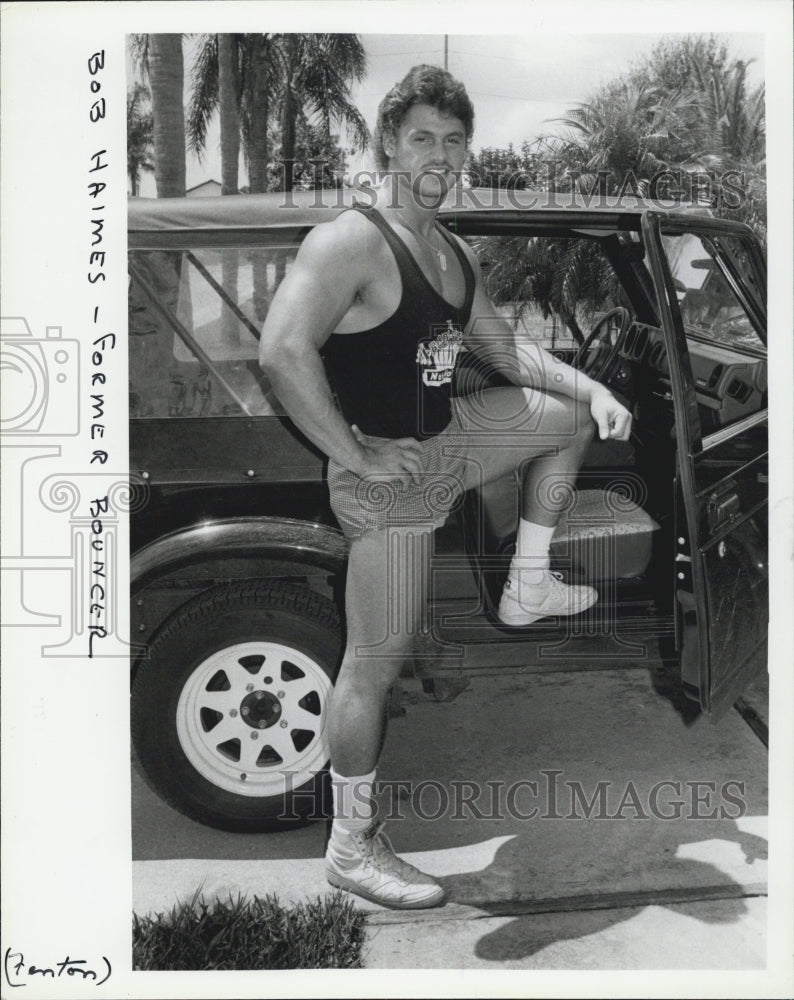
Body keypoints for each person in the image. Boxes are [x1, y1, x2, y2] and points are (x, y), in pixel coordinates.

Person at [259, 65, 632, 910]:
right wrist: (353, 454)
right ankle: (352, 847)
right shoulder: (353, 240)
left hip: (447, 442)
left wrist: (594, 390)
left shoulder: (454, 250)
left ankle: (528, 587)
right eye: (423, 136)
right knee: (372, 668)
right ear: (389, 141)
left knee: (563, 419)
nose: (440, 153)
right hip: (388, 483)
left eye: (455, 139)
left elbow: (506, 353)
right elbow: (282, 352)